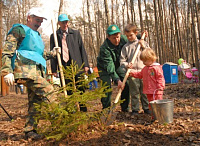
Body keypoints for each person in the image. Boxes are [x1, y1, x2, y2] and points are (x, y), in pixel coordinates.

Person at [0, 7, 58, 140]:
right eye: (37, 20)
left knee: (35, 101)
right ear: (29, 18)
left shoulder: (36, 36)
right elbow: (7, 51)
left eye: (41, 21)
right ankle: (61, 121)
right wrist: (7, 71)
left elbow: (39, 55)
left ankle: (30, 131)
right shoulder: (19, 29)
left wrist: (53, 53)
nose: (39, 23)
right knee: (49, 91)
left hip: (37, 72)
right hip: (25, 71)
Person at [50, 14, 89, 111]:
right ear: (59, 23)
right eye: (63, 22)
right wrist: (54, 69)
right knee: (69, 89)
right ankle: (72, 110)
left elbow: (82, 49)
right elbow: (53, 54)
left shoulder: (75, 34)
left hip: (77, 65)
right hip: (64, 66)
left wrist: (86, 65)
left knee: (80, 88)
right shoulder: (54, 36)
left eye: (66, 22)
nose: (65, 24)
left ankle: (83, 109)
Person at [97, 24, 129, 112]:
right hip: (104, 67)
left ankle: (125, 108)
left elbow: (132, 38)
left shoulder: (123, 39)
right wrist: (117, 80)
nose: (117, 40)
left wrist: (141, 36)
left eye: (118, 37)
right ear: (108, 37)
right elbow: (109, 66)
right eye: (114, 38)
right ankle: (106, 109)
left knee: (126, 82)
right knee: (106, 86)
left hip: (117, 64)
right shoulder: (104, 48)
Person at [120, 24, 150, 115]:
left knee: (144, 91)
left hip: (143, 71)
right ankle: (135, 109)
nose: (129, 37)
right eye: (127, 36)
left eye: (131, 35)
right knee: (134, 92)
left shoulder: (142, 43)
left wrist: (144, 46)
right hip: (132, 73)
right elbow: (122, 61)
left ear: (136, 33)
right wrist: (126, 65)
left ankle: (146, 108)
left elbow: (149, 54)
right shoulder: (125, 47)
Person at [129, 48, 165, 119]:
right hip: (148, 90)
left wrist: (160, 86)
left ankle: (160, 117)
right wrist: (132, 74)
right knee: (151, 104)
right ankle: (153, 117)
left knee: (157, 104)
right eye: (143, 61)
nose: (144, 63)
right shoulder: (145, 68)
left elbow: (160, 78)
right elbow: (140, 74)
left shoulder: (156, 68)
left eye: (145, 60)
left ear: (152, 59)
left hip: (156, 91)